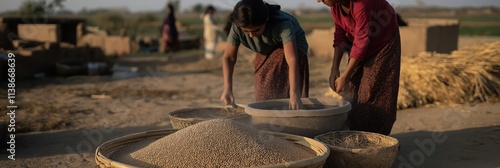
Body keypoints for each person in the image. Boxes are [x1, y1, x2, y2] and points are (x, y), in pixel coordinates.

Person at [317, 0, 401, 135]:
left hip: (383, 41)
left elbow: (362, 42)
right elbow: (340, 37)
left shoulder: (361, 4)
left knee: (372, 90)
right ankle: (355, 132)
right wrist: (335, 69)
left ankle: (376, 138)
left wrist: (345, 76)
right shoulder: (336, 7)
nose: (318, 0)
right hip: (360, 42)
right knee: (351, 88)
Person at [220, 0, 310, 110]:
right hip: (265, 49)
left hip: (293, 49)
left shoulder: (283, 23)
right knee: (262, 87)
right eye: (247, 32)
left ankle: (287, 112)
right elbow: (229, 57)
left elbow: (292, 59)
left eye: (256, 30)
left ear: (266, 20)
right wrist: (227, 88)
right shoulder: (237, 27)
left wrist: (294, 94)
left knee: (276, 79)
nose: (252, 35)